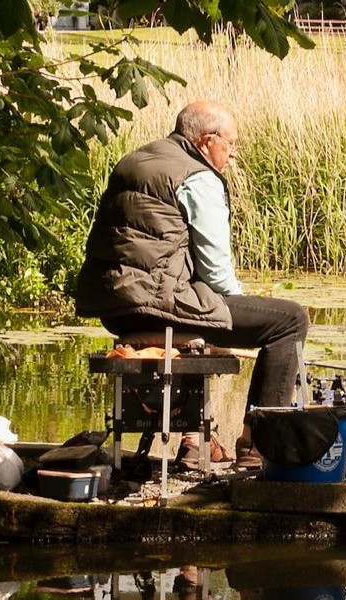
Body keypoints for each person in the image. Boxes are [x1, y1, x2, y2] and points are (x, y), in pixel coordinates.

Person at [75, 100, 308, 468]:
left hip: (114, 310)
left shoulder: (135, 160)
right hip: (156, 304)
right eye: (230, 144)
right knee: (289, 321)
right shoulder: (197, 177)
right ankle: (258, 445)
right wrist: (239, 309)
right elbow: (217, 275)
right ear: (206, 140)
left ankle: (197, 440)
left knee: (200, 307)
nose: (232, 155)